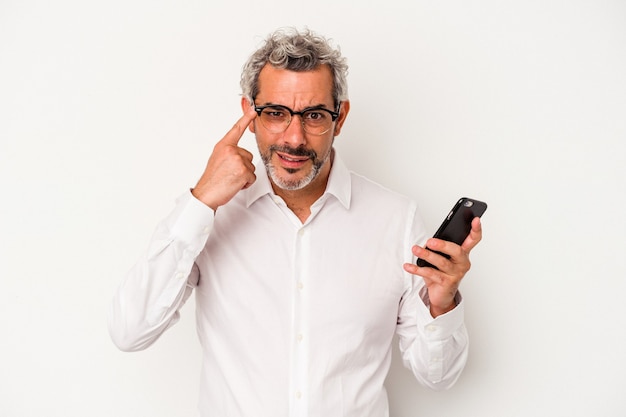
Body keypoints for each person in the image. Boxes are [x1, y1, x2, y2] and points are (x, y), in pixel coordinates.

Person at [108, 27, 483, 417]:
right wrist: (201, 201)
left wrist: (442, 305)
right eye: (275, 113)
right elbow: (130, 331)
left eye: (315, 115)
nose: (295, 137)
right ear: (248, 114)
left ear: (340, 118)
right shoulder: (210, 214)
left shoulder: (396, 219)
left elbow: (438, 377)